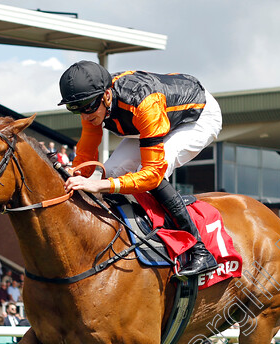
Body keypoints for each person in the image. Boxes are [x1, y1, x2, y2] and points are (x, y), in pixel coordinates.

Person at [58, 61, 221, 277]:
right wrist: (74, 176)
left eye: (88, 106)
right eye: (75, 108)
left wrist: (98, 184)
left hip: (195, 117)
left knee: (148, 172)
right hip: (155, 119)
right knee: (112, 171)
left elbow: (152, 175)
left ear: (107, 95)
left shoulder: (143, 102)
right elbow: (86, 154)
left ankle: (200, 250)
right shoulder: (91, 102)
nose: (85, 115)